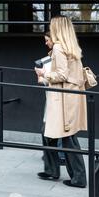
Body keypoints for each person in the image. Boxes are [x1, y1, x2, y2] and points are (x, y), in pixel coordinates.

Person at [35, 15, 87, 188]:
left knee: (66, 137)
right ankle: (54, 171)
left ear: (57, 28)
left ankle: (78, 178)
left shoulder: (58, 47)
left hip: (62, 99)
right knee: (52, 133)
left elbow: (62, 75)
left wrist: (44, 75)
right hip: (71, 97)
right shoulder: (71, 47)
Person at [38, 32, 66, 166]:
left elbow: (60, 77)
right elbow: (43, 81)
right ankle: (54, 156)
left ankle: (57, 156)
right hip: (52, 97)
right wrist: (42, 76)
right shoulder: (48, 59)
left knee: (53, 127)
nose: (46, 43)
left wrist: (44, 75)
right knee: (51, 126)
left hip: (58, 98)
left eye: (47, 40)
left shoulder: (58, 57)